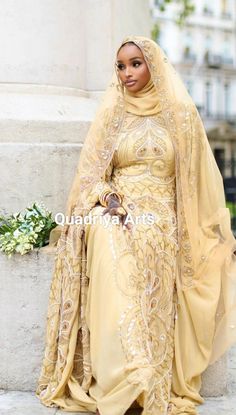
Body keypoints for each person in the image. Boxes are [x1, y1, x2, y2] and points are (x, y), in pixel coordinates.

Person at [36, 36, 236, 415]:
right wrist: (110, 200)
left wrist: (213, 232)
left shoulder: (179, 114)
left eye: (135, 64)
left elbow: (196, 182)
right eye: (121, 66)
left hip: (162, 212)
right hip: (116, 205)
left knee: (148, 235)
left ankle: (144, 376)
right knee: (109, 231)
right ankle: (126, 375)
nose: (127, 73)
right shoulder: (112, 114)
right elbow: (93, 176)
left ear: (153, 65)